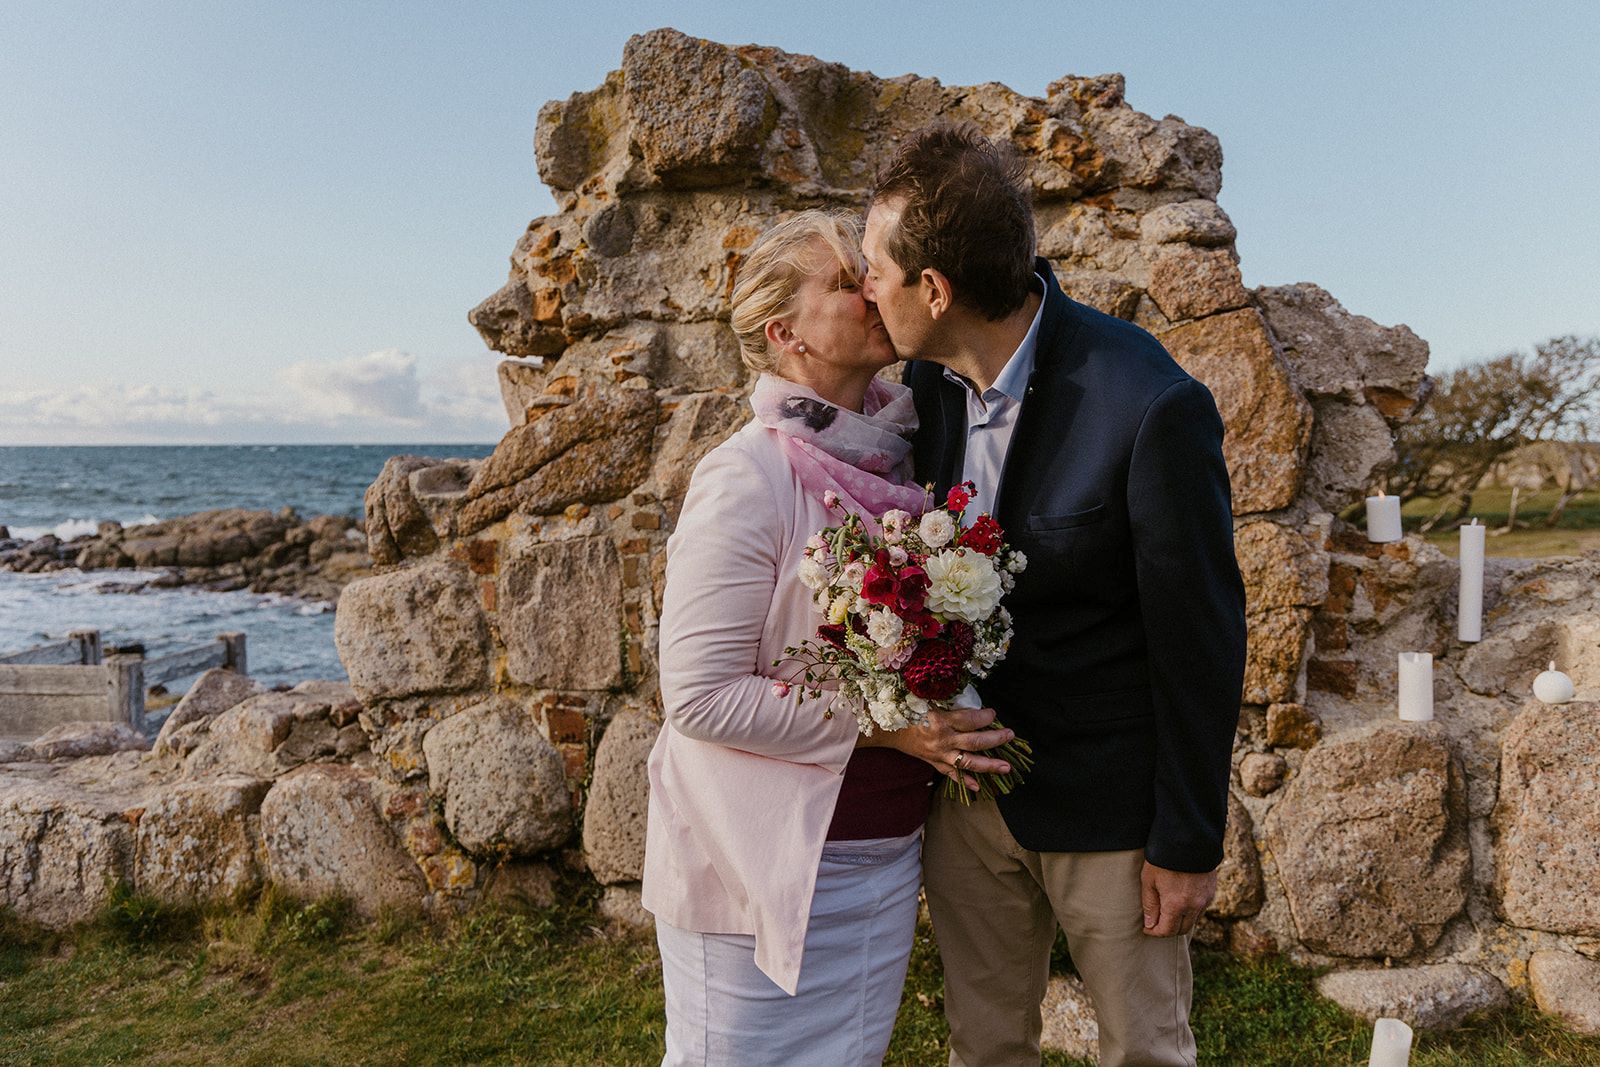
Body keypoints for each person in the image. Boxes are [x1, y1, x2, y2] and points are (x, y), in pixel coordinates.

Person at [860, 123, 1248, 1067]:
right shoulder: (927, 389)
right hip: (969, 802)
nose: (865, 285)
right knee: (983, 1046)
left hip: (1110, 820)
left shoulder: (1148, 403)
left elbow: (1202, 635)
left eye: (876, 267)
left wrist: (1188, 839)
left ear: (937, 290)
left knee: (1144, 1051)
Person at [640, 209, 1015, 1066]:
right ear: (785, 334)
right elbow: (698, 696)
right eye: (845, 281)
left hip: (880, 861)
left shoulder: (900, 458)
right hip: (755, 867)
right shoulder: (747, 475)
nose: (872, 287)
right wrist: (889, 728)